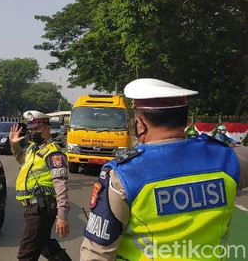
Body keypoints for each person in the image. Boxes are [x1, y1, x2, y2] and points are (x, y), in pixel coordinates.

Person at [80, 78, 248, 260]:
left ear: (140, 123)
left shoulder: (123, 174)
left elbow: (97, 252)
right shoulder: (228, 159)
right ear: (185, 120)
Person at [9, 110, 72, 261]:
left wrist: (62, 216)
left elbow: (61, 186)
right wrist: (14, 144)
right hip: (31, 207)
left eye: (37, 129)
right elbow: (21, 160)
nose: (33, 132)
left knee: (26, 255)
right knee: (44, 245)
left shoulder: (54, 154)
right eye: (31, 129)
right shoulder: (33, 148)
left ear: (48, 128)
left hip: (40, 208)